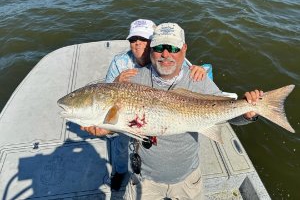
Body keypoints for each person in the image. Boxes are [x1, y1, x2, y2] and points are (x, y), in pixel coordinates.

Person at [83, 22, 262, 199]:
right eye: (159, 47)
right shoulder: (132, 79)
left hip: (187, 178)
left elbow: (231, 116)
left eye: (173, 48)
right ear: (151, 50)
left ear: (184, 49)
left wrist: (247, 114)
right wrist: (105, 129)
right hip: (145, 178)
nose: (165, 54)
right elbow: (121, 122)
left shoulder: (198, 79)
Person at [105, 19, 208, 191]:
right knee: (120, 144)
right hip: (127, 113)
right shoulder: (120, 62)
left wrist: (202, 69)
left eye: (144, 39)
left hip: (155, 113)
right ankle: (119, 172)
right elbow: (107, 94)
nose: (138, 43)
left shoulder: (166, 54)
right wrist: (116, 83)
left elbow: (190, 70)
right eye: (133, 39)